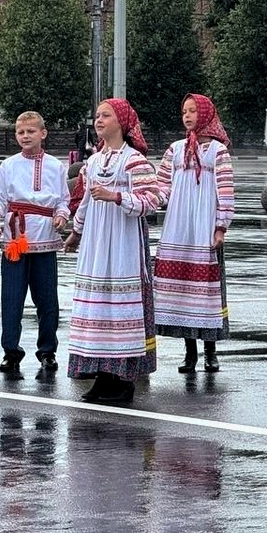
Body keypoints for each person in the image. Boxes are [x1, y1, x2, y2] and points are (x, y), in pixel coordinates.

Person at [63, 98, 161, 405]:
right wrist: (77, 232)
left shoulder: (135, 161)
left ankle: (124, 380)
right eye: (97, 116)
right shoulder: (93, 161)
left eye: (105, 115)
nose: (98, 120)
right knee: (98, 308)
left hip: (123, 244)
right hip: (96, 244)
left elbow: (152, 201)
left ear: (122, 122)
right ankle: (103, 376)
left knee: (120, 307)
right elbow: (86, 201)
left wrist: (116, 196)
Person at [153, 94, 236, 373]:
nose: (187, 116)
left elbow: (225, 191)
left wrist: (221, 226)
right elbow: (162, 187)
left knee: (207, 293)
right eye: (184, 112)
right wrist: (145, 201)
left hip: (204, 227)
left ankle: (211, 351)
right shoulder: (175, 149)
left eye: (192, 111)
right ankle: (190, 352)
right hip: (179, 227)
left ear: (206, 114)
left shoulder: (217, 151)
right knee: (183, 292)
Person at [0, 111, 70, 377]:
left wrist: (61, 216)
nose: (25, 136)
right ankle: (11, 352)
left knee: (47, 300)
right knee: (12, 298)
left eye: (30, 131)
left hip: (45, 239)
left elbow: (63, 200)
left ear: (43, 133)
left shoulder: (56, 166)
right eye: (20, 132)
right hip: (15, 239)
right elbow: (0, 198)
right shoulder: (8, 165)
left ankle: (47, 351)